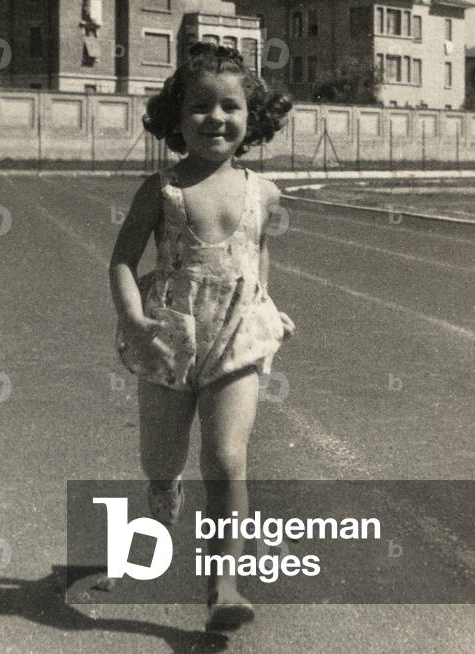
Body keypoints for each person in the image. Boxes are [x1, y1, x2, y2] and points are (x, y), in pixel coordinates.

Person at [109, 42, 295, 632]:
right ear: (176, 117)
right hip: (169, 338)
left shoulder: (264, 193)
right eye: (200, 106)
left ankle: (224, 587)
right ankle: (164, 495)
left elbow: (256, 258)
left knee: (226, 457)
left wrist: (268, 309)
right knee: (162, 457)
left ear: (251, 117)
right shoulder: (160, 189)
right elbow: (121, 261)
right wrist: (134, 322)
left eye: (230, 106)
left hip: (236, 337)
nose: (216, 118)